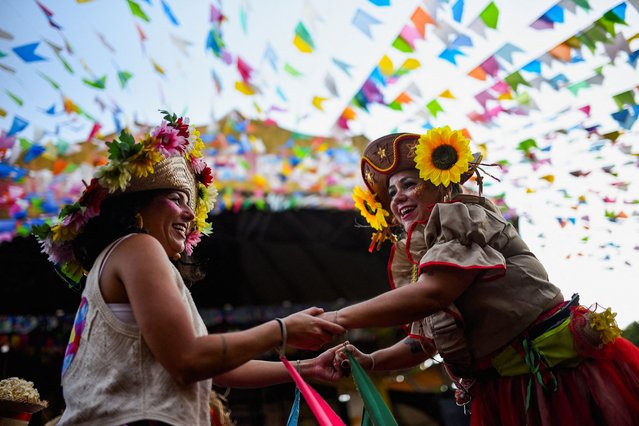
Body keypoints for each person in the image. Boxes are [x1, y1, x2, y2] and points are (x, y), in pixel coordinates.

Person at [33, 111, 344, 425]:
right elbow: (188, 359)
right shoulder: (138, 246)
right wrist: (283, 330)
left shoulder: (123, 256)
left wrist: (306, 367)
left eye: (190, 204)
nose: (190, 215)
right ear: (136, 205)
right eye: (177, 199)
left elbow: (217, 366)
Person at [324, 128, 639, 425]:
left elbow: (432, 295)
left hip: (561, 378)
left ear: (441, 182)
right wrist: (371, 361)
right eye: (391, 192)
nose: (397, 197)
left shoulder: (463, 217)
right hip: (510, 387)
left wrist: (335, 318)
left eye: (408, 184)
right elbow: (426, 342)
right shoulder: (427, 252)